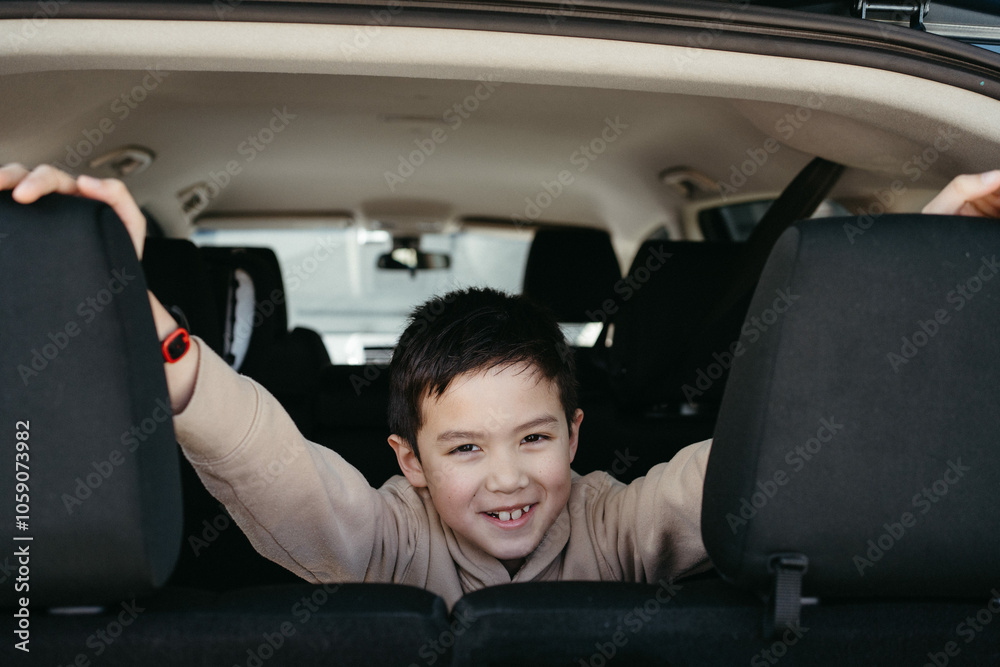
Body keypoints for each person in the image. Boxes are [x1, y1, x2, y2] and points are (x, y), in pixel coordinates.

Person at [1, 163, 998, 607]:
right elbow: (279, 467)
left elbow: (753, 470)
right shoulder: (386, 539)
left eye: (533, 437)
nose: (509, 478)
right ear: (409, 461)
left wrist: (907, 279)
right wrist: (129, 304)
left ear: (576, 432)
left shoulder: (616, 523)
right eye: (465, 448)